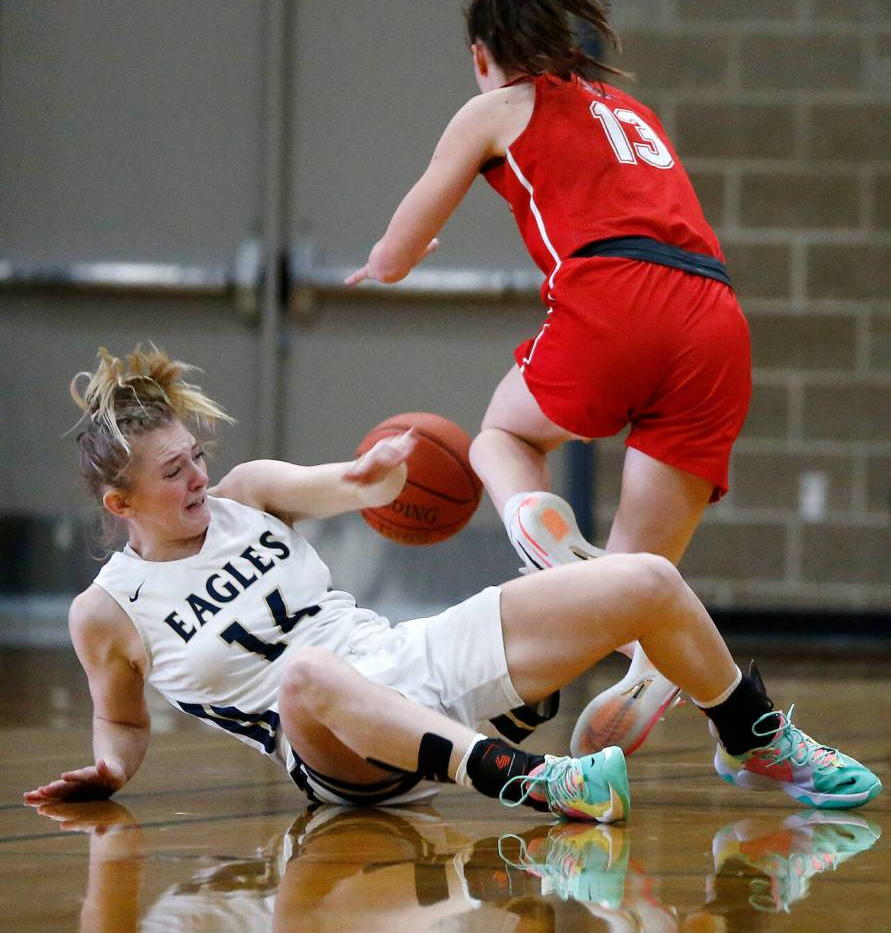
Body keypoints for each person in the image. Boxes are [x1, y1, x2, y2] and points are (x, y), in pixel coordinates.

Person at [24, 347, 879, 818]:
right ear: (119, 500)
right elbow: (120, 719)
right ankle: (526, 773)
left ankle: (750, 736)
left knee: (645, 579)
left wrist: (388, 463)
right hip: (333, 754)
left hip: (406, 659)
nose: (199, 478)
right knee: (303, 675)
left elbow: (357, 486)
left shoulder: (249, 491)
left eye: (196, 456)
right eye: (174, 472)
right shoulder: (106, 611)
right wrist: (107, 768)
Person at [344, 0, 753, 757]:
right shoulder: (628, 111)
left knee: (502, 433)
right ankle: (649, 667)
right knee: (636, 583)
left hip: (615, 296)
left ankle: (536, 528)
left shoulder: (494, 106)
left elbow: (397, 245)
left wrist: (391, 262)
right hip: (714, 317)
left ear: (481, 56)